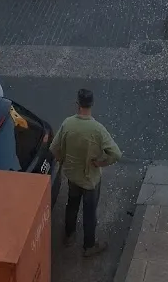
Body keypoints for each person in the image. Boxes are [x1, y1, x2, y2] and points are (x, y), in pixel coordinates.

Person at [50, 88, 121, 258]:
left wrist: (62, 160)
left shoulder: (68, 123)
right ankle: (89, 245)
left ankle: (69, 235)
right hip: (90, 179)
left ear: (77, 104)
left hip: (73, 176)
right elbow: (116, 154)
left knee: (71, 205)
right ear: (92, 104)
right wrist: (100, 163)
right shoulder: (97, 129)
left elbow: (54, 148)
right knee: (89, 213)